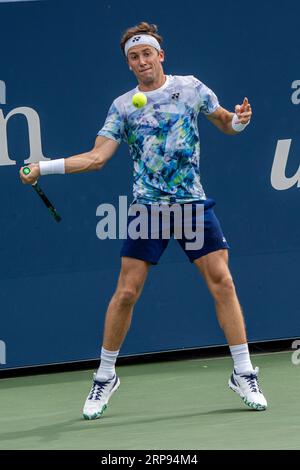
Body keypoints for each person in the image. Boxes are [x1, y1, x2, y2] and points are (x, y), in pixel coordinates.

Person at [20, 21, 267, 420]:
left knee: (222, 280)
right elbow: (97, 158)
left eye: (146, 53)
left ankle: (243, 372)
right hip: (148, 209)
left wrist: (240, 120)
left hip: (192, 204)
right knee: (127, 292)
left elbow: (226, 122)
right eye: (133, 57)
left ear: (160, 55)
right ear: (129, 64)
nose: (141, 61)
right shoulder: (122, 106)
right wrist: (42, 168)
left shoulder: (190, 88)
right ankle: (104, 377)